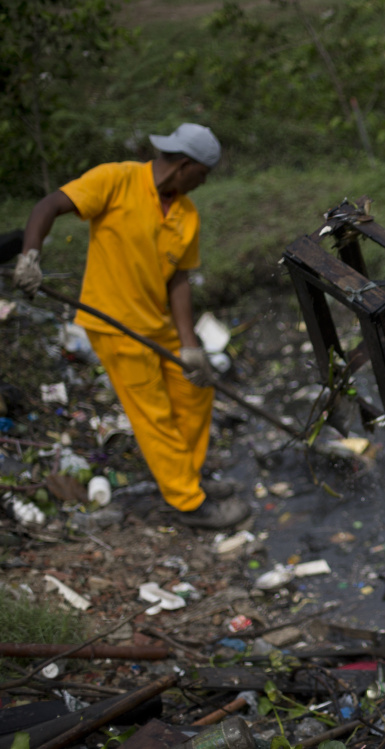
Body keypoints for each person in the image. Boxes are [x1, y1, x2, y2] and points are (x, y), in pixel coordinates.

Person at [13, 123, 251, 530]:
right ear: (186, 165)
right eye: (203, 173)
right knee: (153, 413)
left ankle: (186, 479)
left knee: (195, 392)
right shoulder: (116, 179)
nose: (204, 181)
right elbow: (49, 205)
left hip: (157, 324)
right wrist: (30, 256)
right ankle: (189, 504)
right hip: (115, 325)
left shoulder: (186, 214)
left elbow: (178, 280)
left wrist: (189, 344)